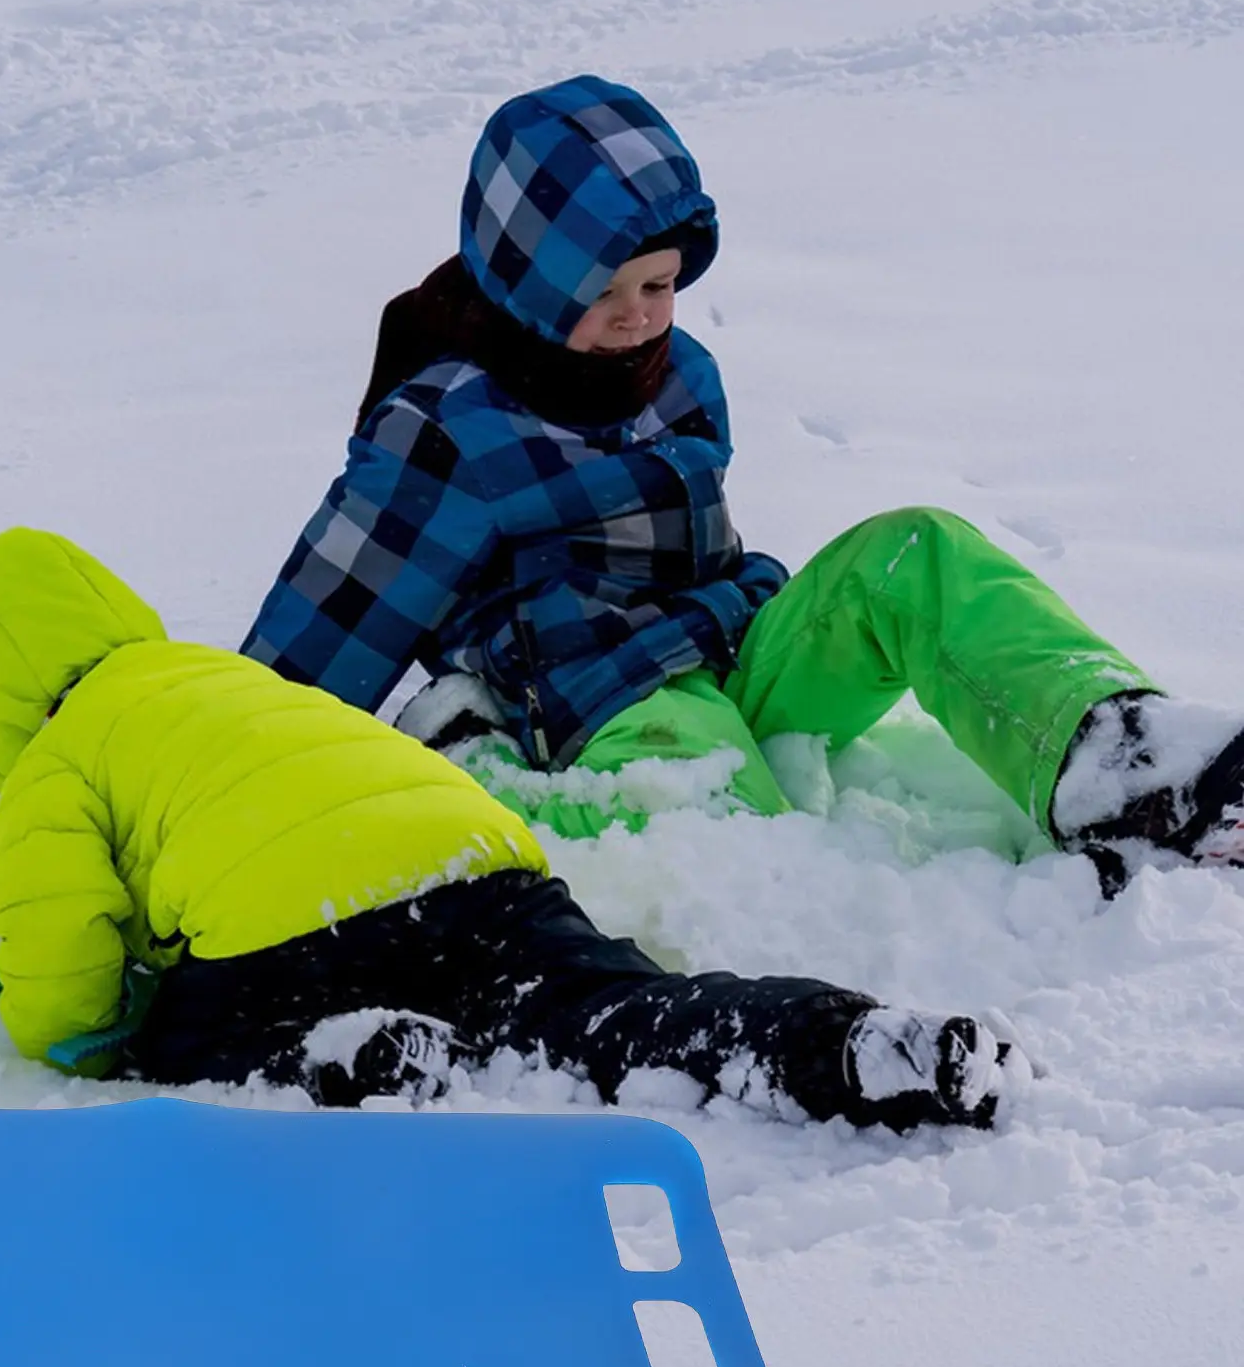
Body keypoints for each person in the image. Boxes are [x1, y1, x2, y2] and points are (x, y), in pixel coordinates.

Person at [240, 74, 1244, 896]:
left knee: (917, 551)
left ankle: (1127, 772)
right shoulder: (445, 427)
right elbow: (324, 626)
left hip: (722, 639)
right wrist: (222, 776)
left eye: (661, 284)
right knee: (727, 814)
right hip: (583, 697)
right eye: (605, 294)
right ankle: (471, 770)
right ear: (526, 283)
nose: (641, 316)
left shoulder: (681, 374)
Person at [0, 525, 1019, 1131]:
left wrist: (77, 1035)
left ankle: (350, 1055)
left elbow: (59, 961)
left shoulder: (54, 763)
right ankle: (849, 1044)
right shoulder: (222, 677)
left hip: (290, 926)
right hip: (475, 861)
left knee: (171, 1032)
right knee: (614, 1014)